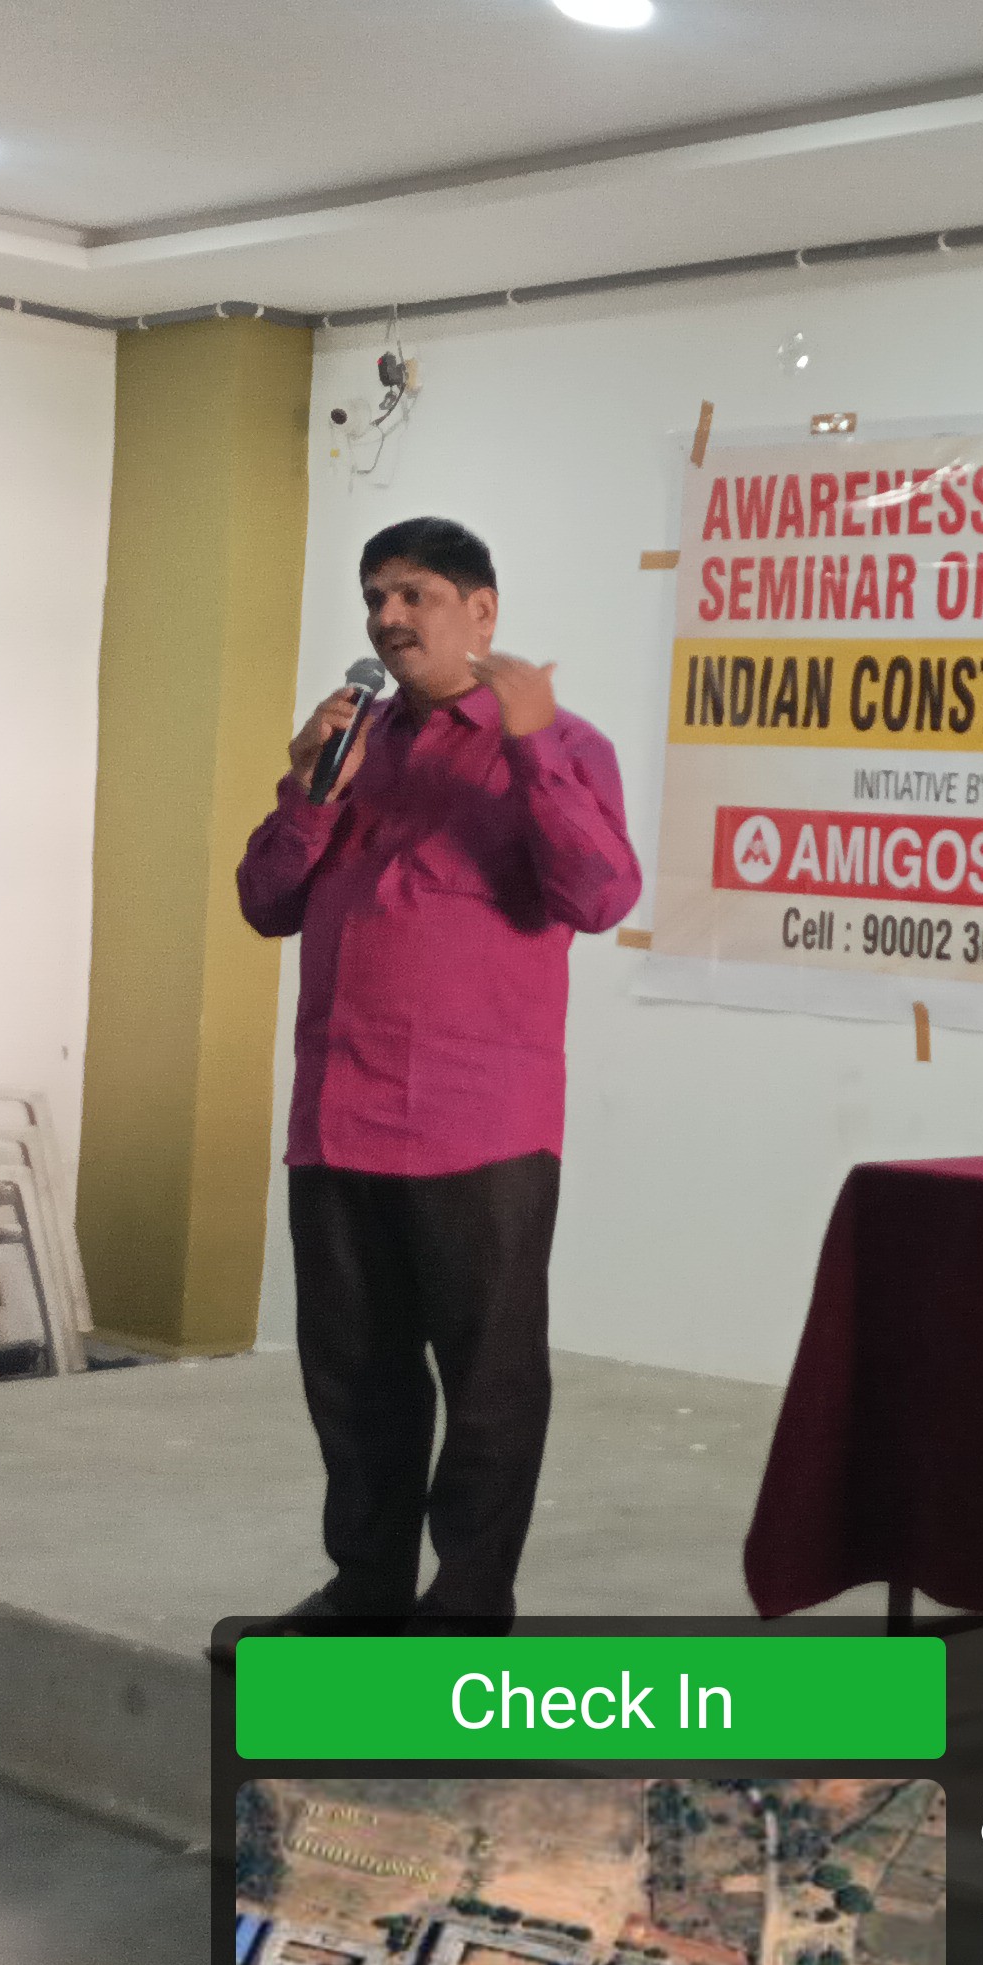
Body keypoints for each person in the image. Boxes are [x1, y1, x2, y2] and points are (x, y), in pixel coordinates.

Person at [237, 518, 640, 1620]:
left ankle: (466, 1606)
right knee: (354, 1381)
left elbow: (601, 895)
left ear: (482, 611)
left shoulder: (563, 745)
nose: (387, 617)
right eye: (375, 596)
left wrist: (531, 746)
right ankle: (365, 1590)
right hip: (337, 1117)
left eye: (413, 594)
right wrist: (309, 789)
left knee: (489, 1385)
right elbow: (265, 903)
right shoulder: (350, 748)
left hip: (480, 1128)